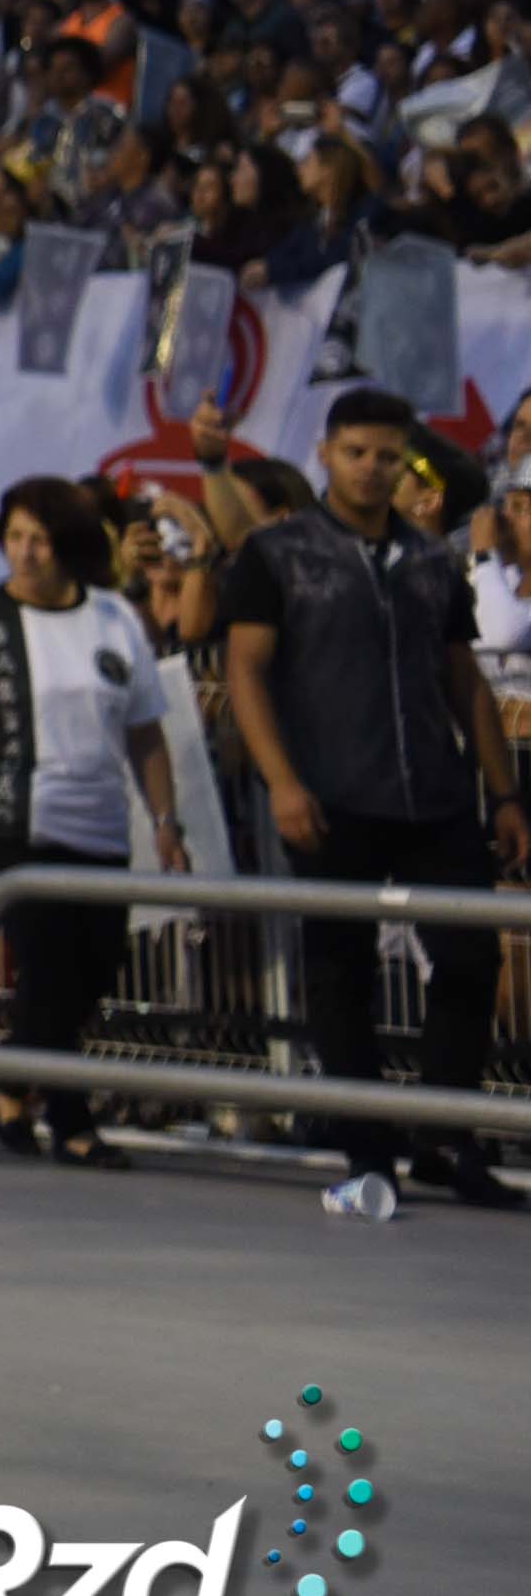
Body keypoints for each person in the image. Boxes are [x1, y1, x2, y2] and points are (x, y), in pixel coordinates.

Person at [216, 386, 528, 1215]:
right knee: (339, 969)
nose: (372, 468)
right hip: (328, 790)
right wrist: (281, 780)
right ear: (326, 453)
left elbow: (464, 678)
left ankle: (444, 1135)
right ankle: (366, 1144)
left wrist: (503, 793)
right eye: (356, 452)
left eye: (388, 456)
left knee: (468, 958)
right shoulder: (278, 553)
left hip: (433, 790)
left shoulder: (432, 560)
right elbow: (243, 670)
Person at [0, 477, 185, 1162]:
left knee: (97, 961)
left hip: (99, 819)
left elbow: (146, 732)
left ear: (69, 545)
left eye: (40, 540)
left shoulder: (112, 618)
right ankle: (72, 1120)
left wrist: (165, 819)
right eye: (14, 537)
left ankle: (9, 1084)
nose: (25, 553)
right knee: (45, 965)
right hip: (7, 817)